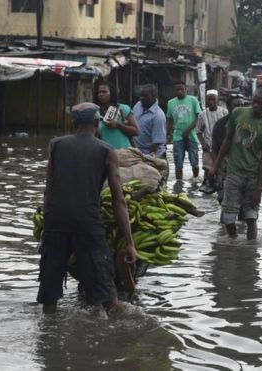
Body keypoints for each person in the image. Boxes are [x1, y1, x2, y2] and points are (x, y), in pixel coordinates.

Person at [37, 102, 137, 315]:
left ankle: (48, 342)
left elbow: (48, 192)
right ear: (97, 122)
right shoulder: (106, 150)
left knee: (49, 297)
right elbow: (119, 199)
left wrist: (46, 231)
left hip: (56, 222)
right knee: (108, 296)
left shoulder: (56, 145)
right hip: (88, 223)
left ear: (74, 123)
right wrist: (129, 244)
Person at [210, 88, 262, 240]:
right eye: (254, 101)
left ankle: (250, 252)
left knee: (251, 216)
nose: (255, 105)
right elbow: (227, 140)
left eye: (260, 103)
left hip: (253, 176)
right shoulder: (238, 113)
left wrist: (259, 189)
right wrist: (216, 165)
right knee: (228, 216)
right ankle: (233, 242)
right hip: (233, 173)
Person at [166, 81, 202, 180]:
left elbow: (199, 118)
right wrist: (167, 136)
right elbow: (169, 121)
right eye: (177, 89)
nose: (180, 91)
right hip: (178, 136)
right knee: (178, 164)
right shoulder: (170, 103)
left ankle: (195, 180)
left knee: (194, 162)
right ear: (175, 91)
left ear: (186, 89)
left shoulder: (193, 100)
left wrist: (188, 130)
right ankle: (179, 185)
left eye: (182, 89)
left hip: (192, 135)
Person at [94, 80, 139, 149]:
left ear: (111, 93)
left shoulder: (123, 109)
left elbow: (136, 131)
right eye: (99, 92)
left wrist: (118, 125)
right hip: (106, 153)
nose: (101, 94)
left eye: (104, 92)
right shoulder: (97, 112)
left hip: (124, 151)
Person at [196, 90, 228, 179]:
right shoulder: (202, 114)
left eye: (213, 99)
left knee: (222, 171)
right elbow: (198, 131)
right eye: (209, 99)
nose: (211, 102)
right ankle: (207, 188)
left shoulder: (224, 112)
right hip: (208, 147)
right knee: (208, 170)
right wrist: (203, 144)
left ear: (217, 100)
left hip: (222, 147)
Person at [132, 84, 167, 160]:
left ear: (154, 97)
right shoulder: (138, 106)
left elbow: (156, 144)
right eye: (141, 96)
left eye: (145, 96)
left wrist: (148, 160)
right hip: (137, 152)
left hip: (154, 155)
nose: (141, 98)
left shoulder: (158, 116)